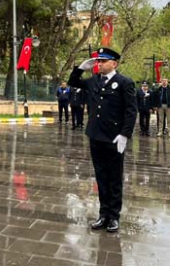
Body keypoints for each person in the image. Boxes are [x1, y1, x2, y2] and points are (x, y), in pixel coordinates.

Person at [68, 47, 137, 233]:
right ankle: (103, 214)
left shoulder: (124, 82)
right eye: (97, 61)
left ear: (114, 63)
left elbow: (131, 111)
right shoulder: (93, 81)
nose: (99, 64)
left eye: (103, 61)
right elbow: (73, 82)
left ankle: (114, 217)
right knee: (101, 177)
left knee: (114, 178)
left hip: (114, 138)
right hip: (95, 136)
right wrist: (81, 68)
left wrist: (125, 134)